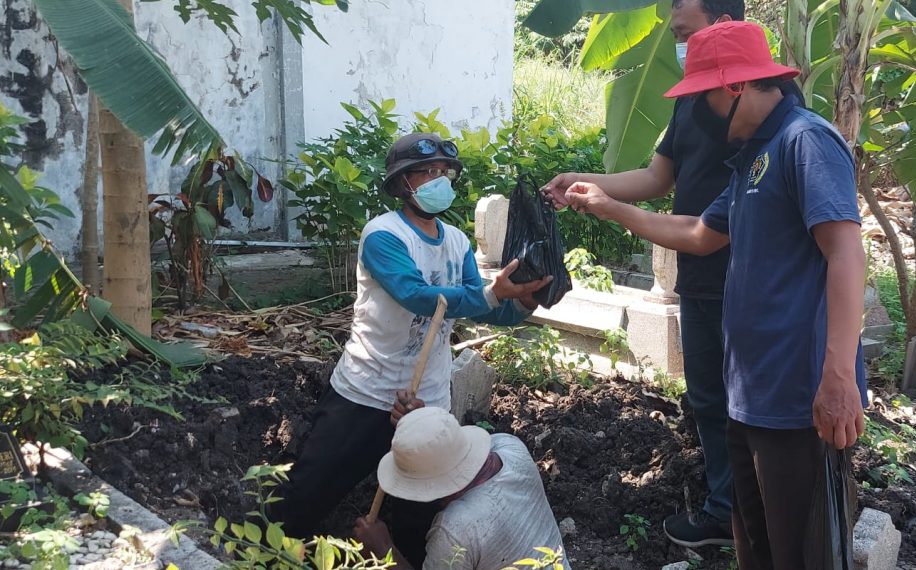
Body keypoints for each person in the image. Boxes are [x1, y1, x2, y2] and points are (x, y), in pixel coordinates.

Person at [563, 21, 867, 569]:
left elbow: (845, 254)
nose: (697, 110)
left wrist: (839, 377)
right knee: (755, 543)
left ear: (733, 87)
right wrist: (608, 205)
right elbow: (701, 235)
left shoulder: (804, 140)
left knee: (803, 550)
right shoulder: (756, 154)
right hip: (750, 391)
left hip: (798, 395)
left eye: (701, 94)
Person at [270, 133, 552, 567]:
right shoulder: (383, 236)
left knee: (415, 514)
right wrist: (494, 294)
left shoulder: (456, 241)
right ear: (403, 183)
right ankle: (267, 553)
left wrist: (524, 301)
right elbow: (418, 296)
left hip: (427, 404)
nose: (440, 180)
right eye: (428, 172)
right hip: (365, 395)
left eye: (445, 173)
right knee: (311, 490)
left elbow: (479, 306)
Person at [542, 0, 747, 548]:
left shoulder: (754, 103)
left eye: (685, 33)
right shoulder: (688, 105)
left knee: (749, 400)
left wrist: (613, 209)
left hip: (751, 280)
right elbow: (659, 176)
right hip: (700, 275)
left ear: (723, 27)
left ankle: (752, 511)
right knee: (706, 395)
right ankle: (726, 509)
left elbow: (711, 228)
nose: (680, 47)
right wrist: (583, 181)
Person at [353, 407, 569, 570]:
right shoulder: (511, 447)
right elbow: (448, 451)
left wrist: (382, 550)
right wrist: (425, 429)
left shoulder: (456, 529)